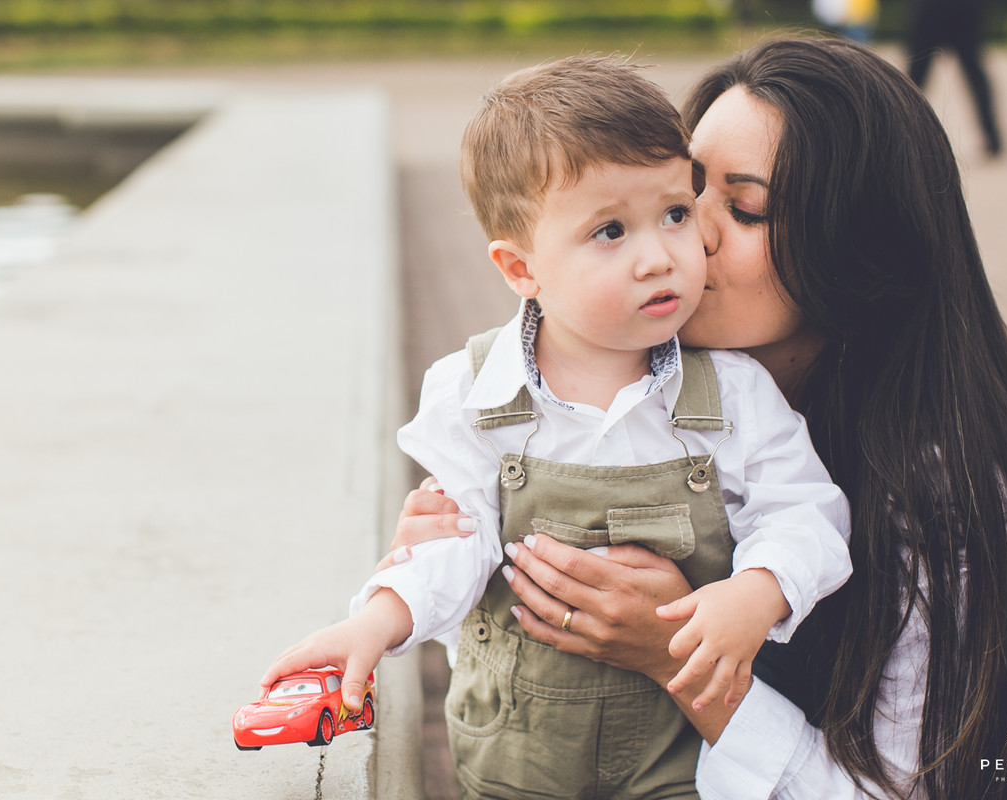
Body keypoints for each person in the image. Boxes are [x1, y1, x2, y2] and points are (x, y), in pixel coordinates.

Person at [388, 37, 1007, 799]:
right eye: (683, 197)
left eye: (746, 209)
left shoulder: (951, 480)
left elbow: (896, 790)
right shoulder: (642, 385)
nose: (683, 241)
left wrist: (674, 656)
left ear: (856, 253)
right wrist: (470, 550)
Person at [262, 55, 851, 799]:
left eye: (674, 212)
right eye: (611, 231)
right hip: (514, 759)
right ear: (520, 268)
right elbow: (453, 537)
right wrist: (376, 624)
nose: (661, 256)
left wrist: (756, 591)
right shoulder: (474, 392)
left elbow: (806, 513)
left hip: (676, 762)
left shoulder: (734, 392)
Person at [905, 0, 1003, 158]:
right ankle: (993, 138)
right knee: (973, 69)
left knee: (915, 75)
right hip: (964, 7)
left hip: (934, 7)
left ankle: (901, 131)